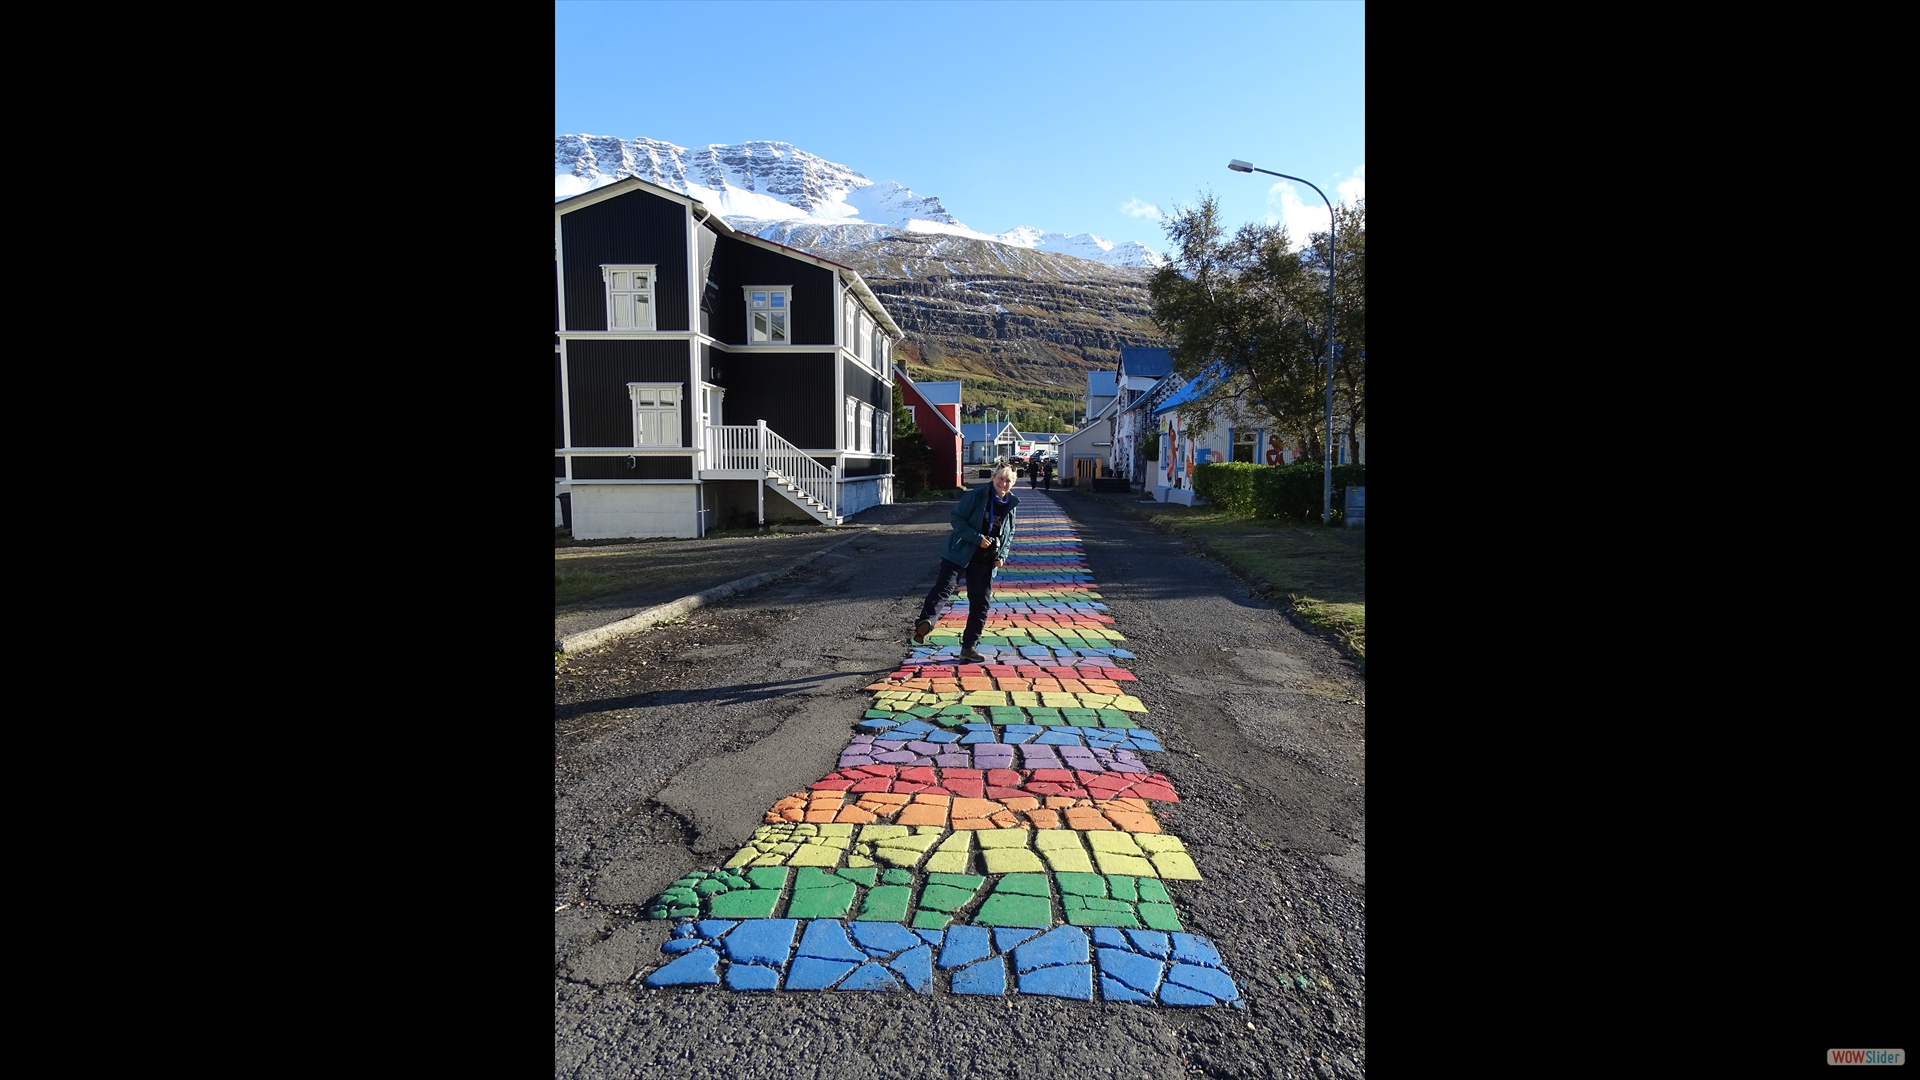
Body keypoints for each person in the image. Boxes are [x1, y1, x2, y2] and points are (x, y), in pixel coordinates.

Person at [912, 464, 1019, 664]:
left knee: (980, 605)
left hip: (986, 560)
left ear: (1013, 483)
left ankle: (968, 648)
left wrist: (1002, 555)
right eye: (1000, 479)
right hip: (959, 552)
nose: (1004, 484)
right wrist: (977, 538)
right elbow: (956, 518)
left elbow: (1009, 534)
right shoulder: (977, 496)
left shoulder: (1011, 504)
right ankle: (926, 621)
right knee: (944, 588)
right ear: (993, 478)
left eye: (1008, 481)